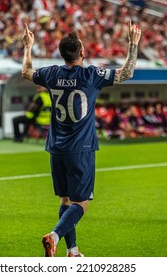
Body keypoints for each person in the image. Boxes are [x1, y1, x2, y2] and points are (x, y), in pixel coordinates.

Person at [21, 20, 141, 257]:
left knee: (65, 200)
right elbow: (126, 73)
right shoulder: (91, 75)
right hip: (81, 148)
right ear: (83, 53)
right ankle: (54, 236)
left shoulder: (51, 73)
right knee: (81, 202)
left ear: (62, 54)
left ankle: (72, 251)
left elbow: (25, 72)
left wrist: (28, 47)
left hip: (56, 148)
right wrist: (132, 44)